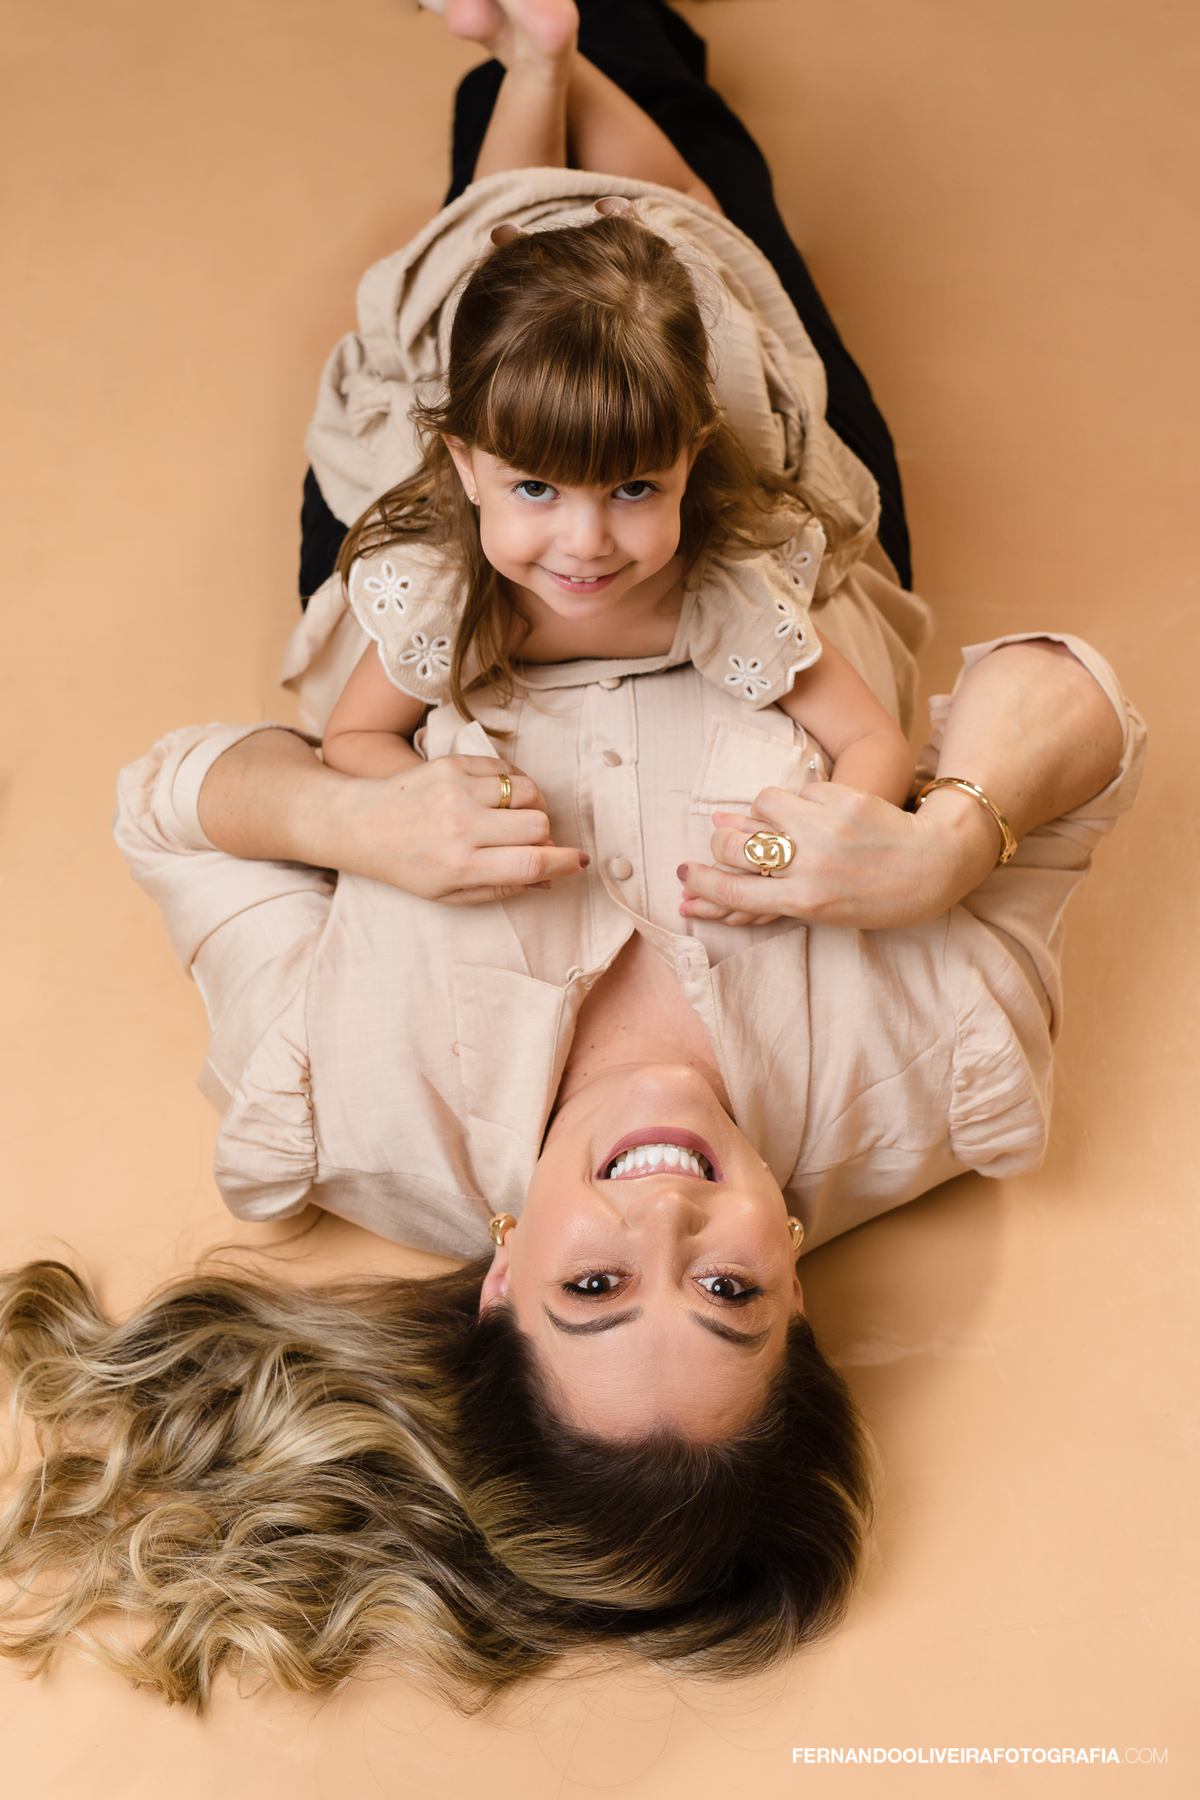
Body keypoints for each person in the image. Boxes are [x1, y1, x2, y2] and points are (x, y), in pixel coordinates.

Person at [0, 0, 1142, 1715]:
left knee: (508, 260)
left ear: (498, 1291)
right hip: (766, 518)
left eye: (600, 1285)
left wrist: (347, 812)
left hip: (432, 561)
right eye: (736, 1287)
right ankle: (602, 53)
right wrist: (932, 850)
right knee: (710, 206)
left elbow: (167, 801)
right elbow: (1079, 703)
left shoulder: (334, 1115)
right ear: (804, 1311)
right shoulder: (948, 1086)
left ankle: (536, 55)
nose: (666, 1203)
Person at [318, 206, 915, 815]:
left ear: (688, 462)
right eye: (534, 489)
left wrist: (803, 845)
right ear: (468, 467)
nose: (585, 543)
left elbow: (874, 741)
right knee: (485, 197)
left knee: (712, 202)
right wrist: (431, 796)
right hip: (515, 350)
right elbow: (353, 737)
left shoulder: (728, 586)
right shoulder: (449, 595)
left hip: (700, 333)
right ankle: (528, 129)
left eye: (633, 489)